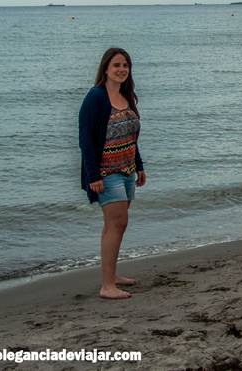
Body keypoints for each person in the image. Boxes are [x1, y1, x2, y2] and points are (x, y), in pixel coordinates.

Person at [79, 47, 147, 299]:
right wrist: (93, 175)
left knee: (117, 224)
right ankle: (107, 286)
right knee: (116, 223)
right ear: (105, 69)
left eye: (125, 65)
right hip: (107, 172)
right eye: (116, 65)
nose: (121, 70)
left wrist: (139, 166)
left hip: (128, 170)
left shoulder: (126, 95)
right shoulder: (96, 97)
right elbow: (85, 139)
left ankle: (112, 276)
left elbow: (131, 136)